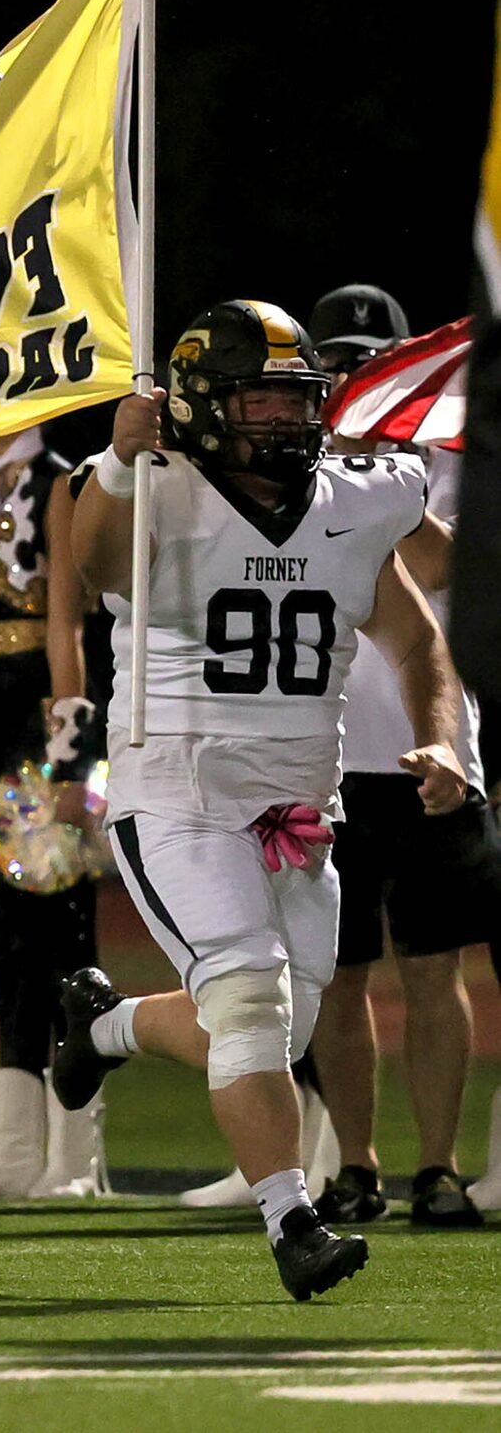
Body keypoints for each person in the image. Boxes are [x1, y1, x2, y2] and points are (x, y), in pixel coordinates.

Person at [52, 299, 468, 1301]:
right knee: (245, 1000)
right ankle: (293, 1222)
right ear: (199, 404)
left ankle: (102, 1026)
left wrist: (443, 735)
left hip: (298, 808)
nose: (283, 418)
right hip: (177, 788)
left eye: (296, 398)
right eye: (259, 398)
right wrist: (116, 461)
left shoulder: (351, 501)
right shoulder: (156, 490)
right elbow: (93, 566)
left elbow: (419, 630)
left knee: (274, 1033)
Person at [301, 284, 495, 1229]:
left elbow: (447, 564)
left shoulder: (444, 463)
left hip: (433, 746)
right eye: (338, 365)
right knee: (338, 973)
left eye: (367, 365)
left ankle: (441, 1167)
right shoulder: (309, 470)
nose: (350, 381)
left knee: (432, 967)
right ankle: (354, 1165)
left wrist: (374, 490)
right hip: (329, 748)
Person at [0, 426, 108, 1201]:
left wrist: (74, 757)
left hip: (43, 729)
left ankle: (75, 1157)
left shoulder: (61, 485)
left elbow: (67, 624)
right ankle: (10, 1148)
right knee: (4, 936)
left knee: (65, 937)